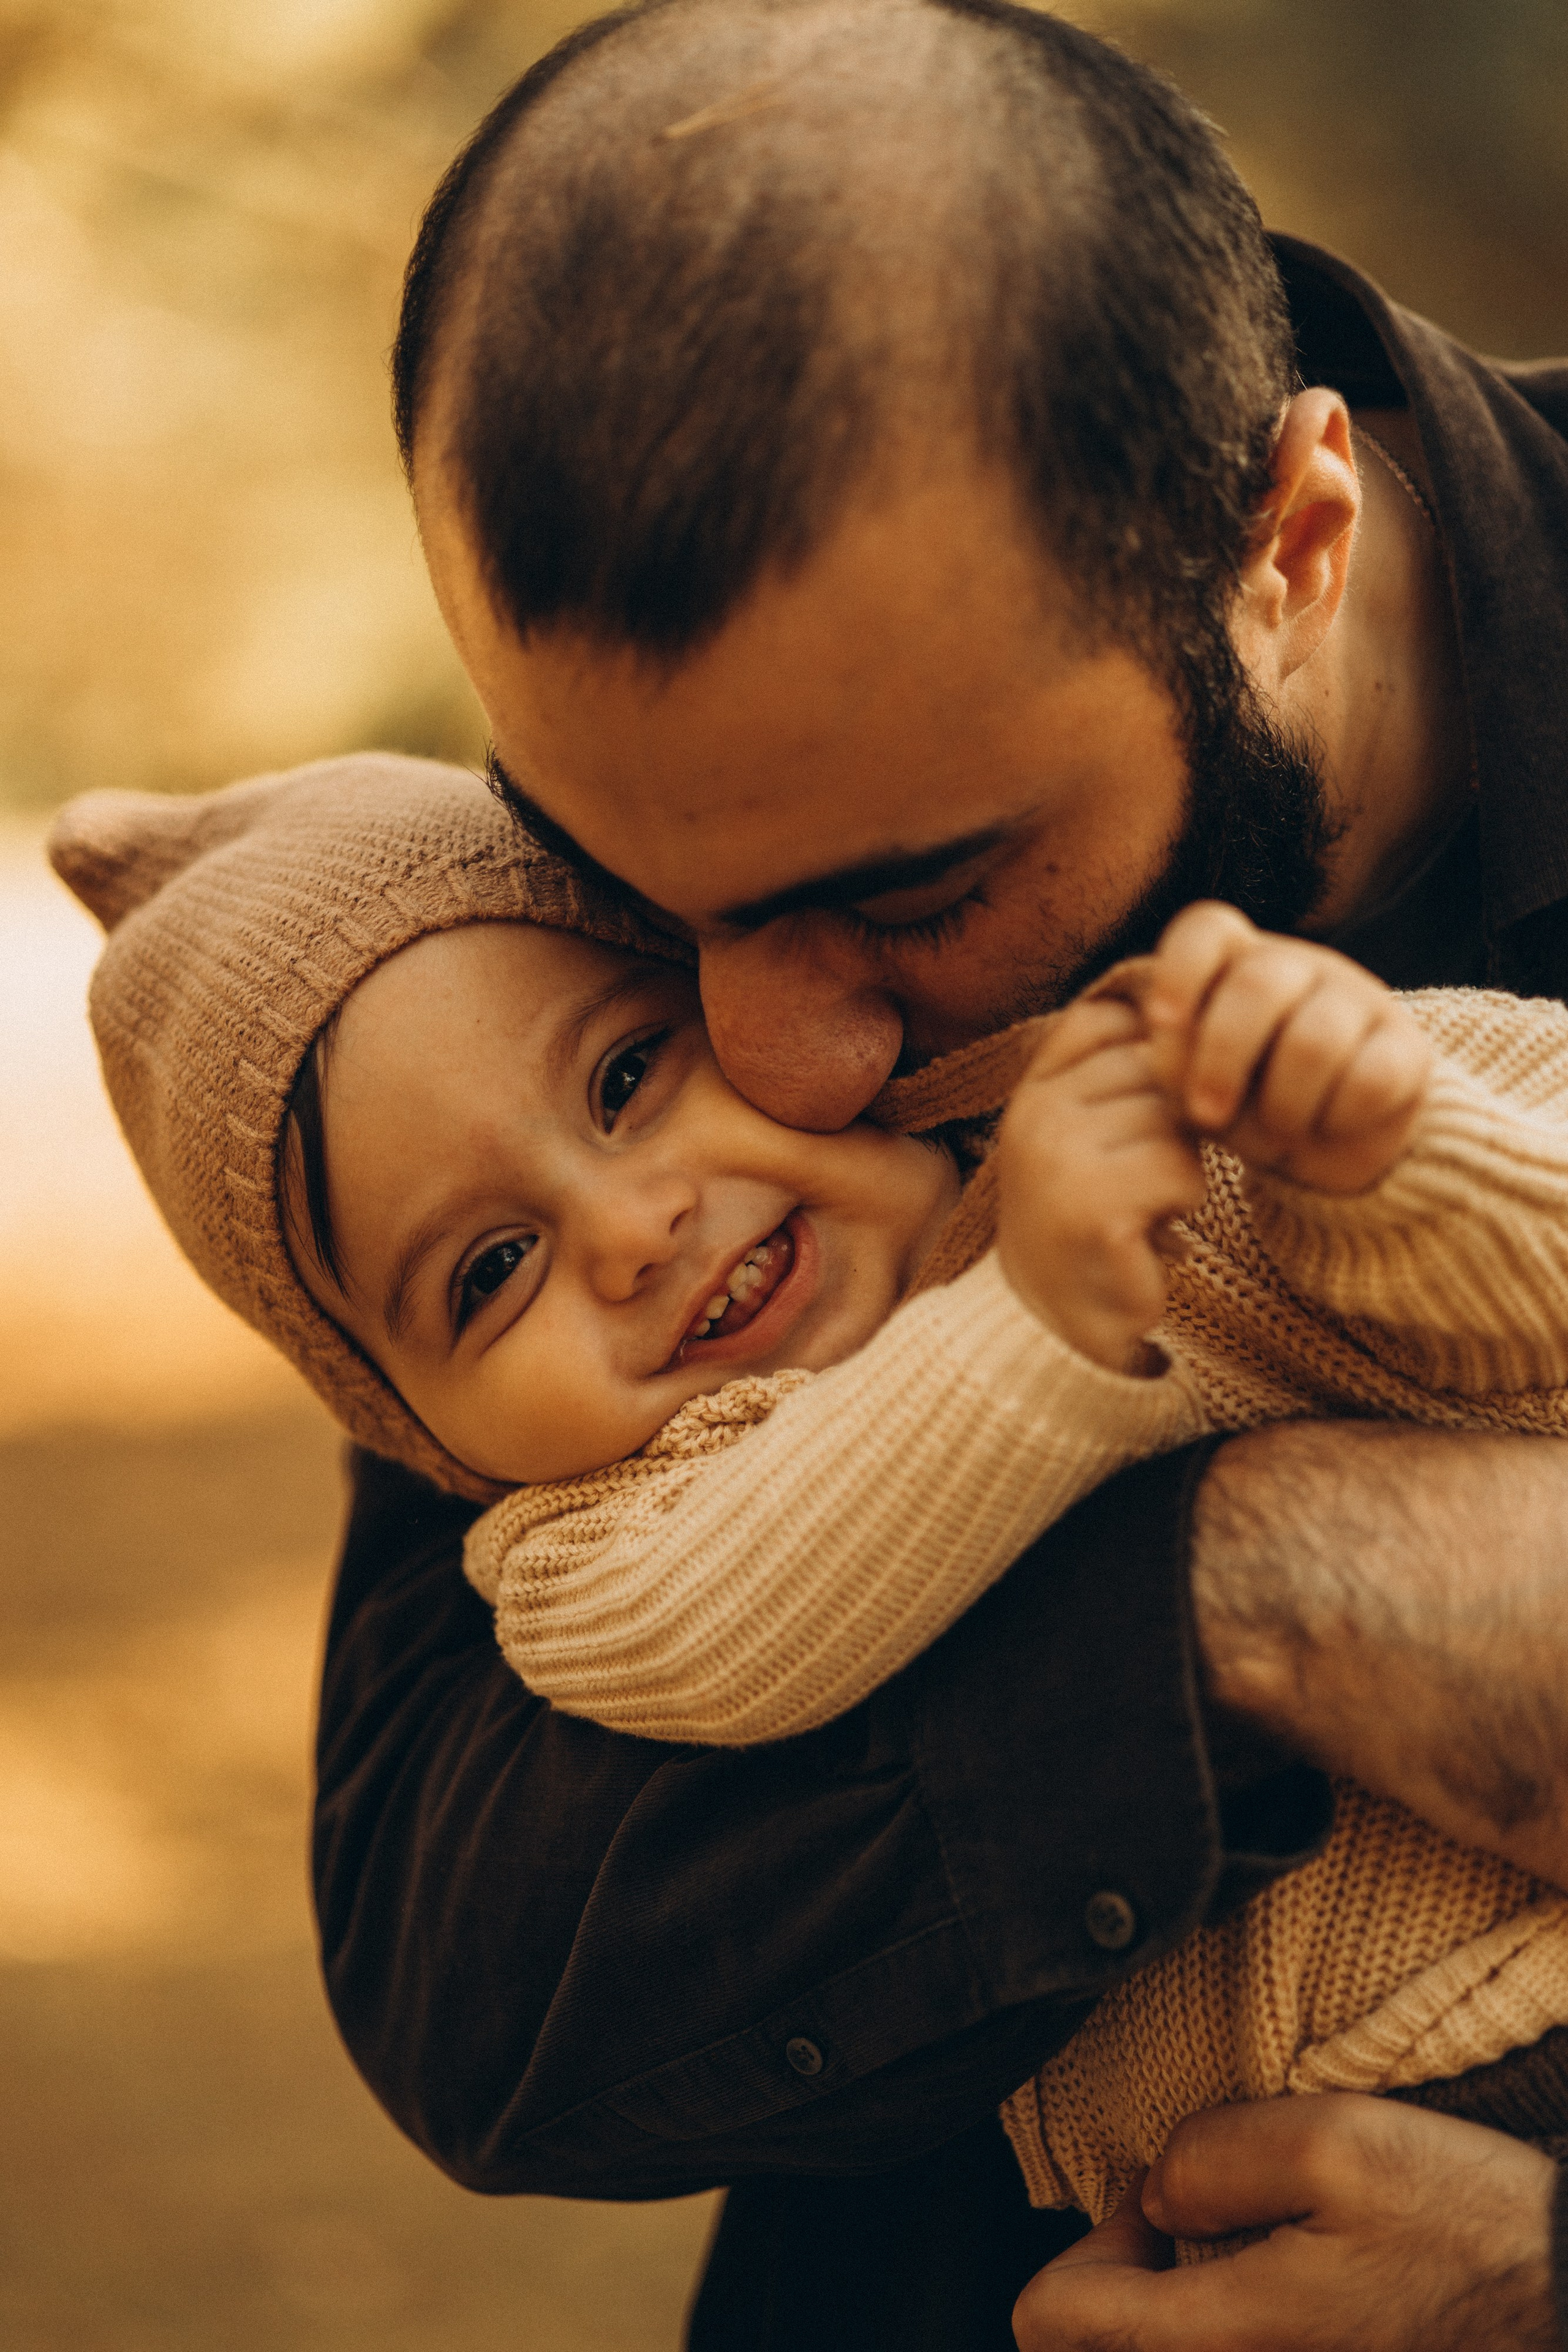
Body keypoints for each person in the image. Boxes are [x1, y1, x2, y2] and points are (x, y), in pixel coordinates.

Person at [323, 0, 1568, 2341]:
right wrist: (1251, 1588)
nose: (768, 1059)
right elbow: (479, 1975)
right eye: (640, 895)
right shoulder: (659, 876)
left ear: (1285, 543)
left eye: (912, 895)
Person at [48, 754, 1568, 2289]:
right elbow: (737, 1618)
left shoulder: (1119, 1108)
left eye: (627, 1079)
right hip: (1377, 2134)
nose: (631, 1230)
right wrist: (1026, 1331)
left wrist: (1388, 1148)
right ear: (424, 1444)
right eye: (489, 1271)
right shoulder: (598, 1543)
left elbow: (1533, 1258)